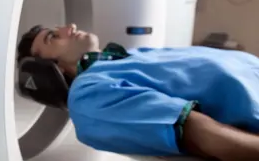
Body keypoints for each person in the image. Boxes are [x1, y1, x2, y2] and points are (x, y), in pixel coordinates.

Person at [16, 23, 259, 161]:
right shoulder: (87, 96)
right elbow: (201, 134)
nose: (69, 27)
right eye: (53, 37)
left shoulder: (130, 57)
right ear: (50, 69)